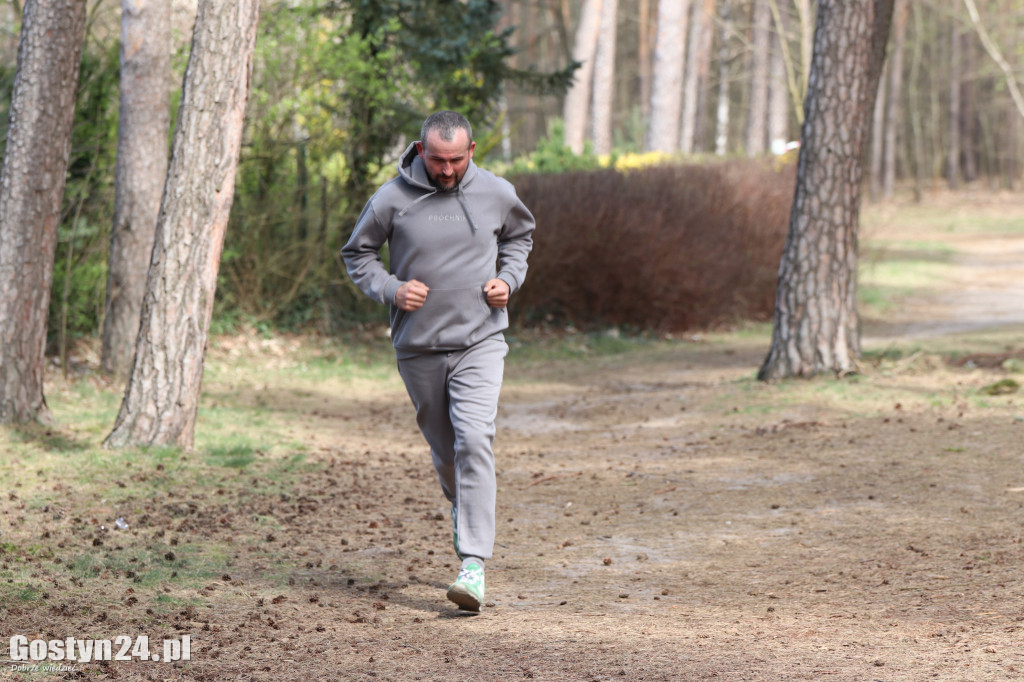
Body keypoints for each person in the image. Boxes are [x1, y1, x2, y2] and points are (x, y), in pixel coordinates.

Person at [342, 111, 535, 611]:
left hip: (481, 340)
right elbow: (357, 254)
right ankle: (462, 505)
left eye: (456, 159)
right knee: (447, 449)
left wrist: (508, 281)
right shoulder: (391, 199)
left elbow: (519, 238)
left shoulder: (496, 192)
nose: (446, 170)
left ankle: (473, 565)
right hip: (419, 346)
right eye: (437, 159)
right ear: (420, 150)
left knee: (474, 438)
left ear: (471, 151)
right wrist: (391, 287)